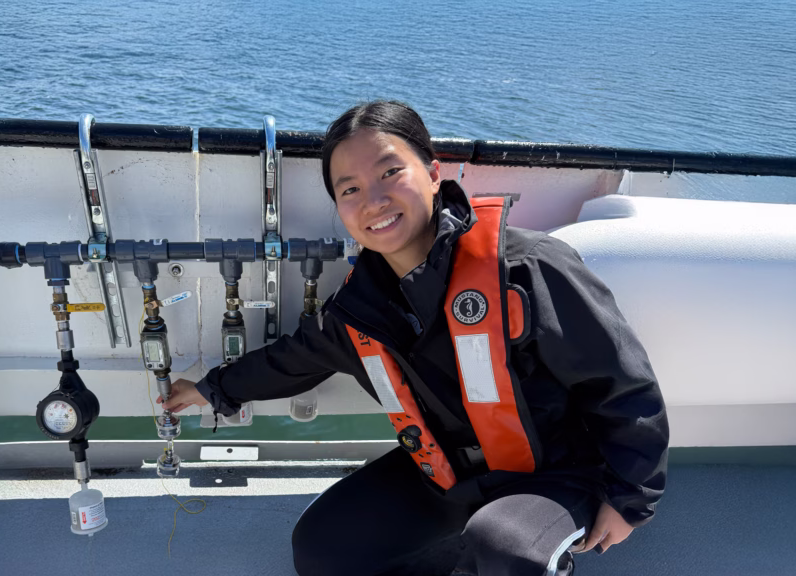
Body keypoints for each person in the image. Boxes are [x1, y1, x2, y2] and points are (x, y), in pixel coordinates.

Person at [159, 100, 669, 576]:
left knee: (503, 545)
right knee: (321, 549)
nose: (374, 200)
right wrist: (209, 389)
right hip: (447, 475)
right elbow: (292, 359)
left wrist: (630, 498)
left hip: (557, 474)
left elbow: (622, 383)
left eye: (390, 172)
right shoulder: (358, 310)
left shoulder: (526, 267)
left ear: (432, 172)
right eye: (349, 189)